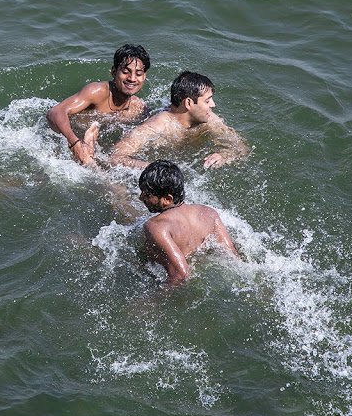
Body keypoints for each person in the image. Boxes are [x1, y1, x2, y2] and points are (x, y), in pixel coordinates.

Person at [109, 70, 249, 170]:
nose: (213, 105)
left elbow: (241, 148)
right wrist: (154, 168)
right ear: (188, 103)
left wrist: (224, 155)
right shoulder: (159, 125)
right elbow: (115, 157)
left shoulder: (209, 119)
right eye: (207, 101)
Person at [139, 160, 240, 285]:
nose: (141, 197)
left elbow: (181, 274)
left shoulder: (156, 226)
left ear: (167, 199)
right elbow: (232, 256)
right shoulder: (208, 212)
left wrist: (150, 302)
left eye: (147, 194)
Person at [47, 44, 150, 165]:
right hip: (64, 140)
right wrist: (75, 144)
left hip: (94, 145)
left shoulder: (139, 108)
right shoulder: (97, 92)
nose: (132, 79)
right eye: (126, 72)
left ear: (144, 76)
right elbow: (55, 112)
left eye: (138, 74)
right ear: (114, 71)